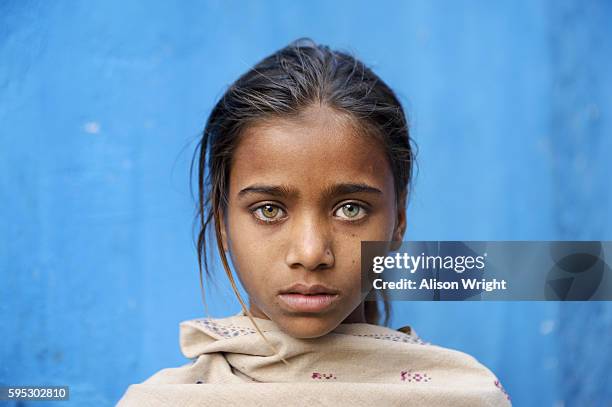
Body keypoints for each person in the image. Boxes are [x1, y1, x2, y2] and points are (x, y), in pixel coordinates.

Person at [117, 37, 511, 406]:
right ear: (221, 221)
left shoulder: (462, 397)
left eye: (351, 208)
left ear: (399, 220)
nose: (310, 253)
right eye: (268, 210)